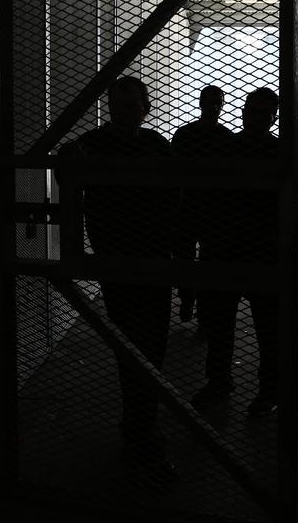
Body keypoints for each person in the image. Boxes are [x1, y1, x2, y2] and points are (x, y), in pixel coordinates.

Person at [57, 76, 176, 485]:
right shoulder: (106, 144)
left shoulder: (142, 145)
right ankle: (141, 432)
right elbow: (65, 171)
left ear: (144, 106)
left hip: (148, 261)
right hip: (124, 264)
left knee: (148, 348)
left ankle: (139, 428)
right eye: (118, 105)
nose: (124, 111)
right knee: (135, 348)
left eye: (130, 105)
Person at [190, 87, 281, 419]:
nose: (253, 116)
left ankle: (248, 386)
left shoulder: (230, 147)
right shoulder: (273, 151)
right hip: (243, 249)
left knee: (261, 326)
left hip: (245, 249)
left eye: (261, 112)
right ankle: (247, 386)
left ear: (273, 117)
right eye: (251, 110)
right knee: (226, 322)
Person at [171, 86, 233, 325]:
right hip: (203, 208)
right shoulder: (225, 136)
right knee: (199, 259)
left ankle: (192, 302)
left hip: (193, 206)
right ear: (201, 103)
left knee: (191, 259)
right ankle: (197, 305)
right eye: (211, 102)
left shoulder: (185, 134)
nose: (215, 107)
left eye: (218, 103)